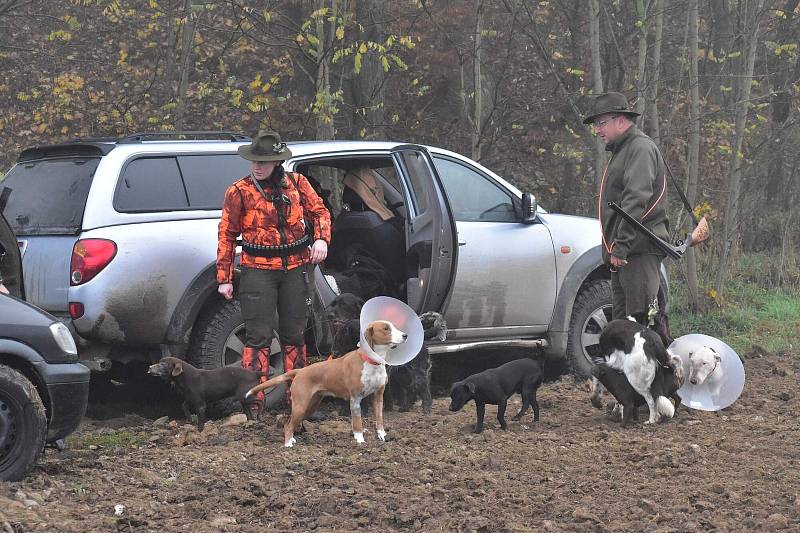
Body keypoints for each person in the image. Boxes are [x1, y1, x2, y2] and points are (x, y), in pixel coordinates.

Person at [217, 130, 331, 416]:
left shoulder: (297, 183)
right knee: (258, 337)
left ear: (277, 162)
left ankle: (300, 403)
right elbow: (227, 235)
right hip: (257, 271)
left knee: (295, 336)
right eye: (254, 161)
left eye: (264, 161)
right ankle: (253, 403)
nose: (257, 166)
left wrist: (321, 239)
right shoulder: (239, 191)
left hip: (296, 268)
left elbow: (320, 212)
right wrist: (225, 277)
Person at [584, 91, 670, 325]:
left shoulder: (639, 148)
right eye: (596, 124)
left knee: (642, 331)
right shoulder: (624, 150)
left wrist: (620, 247)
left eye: (601, 123)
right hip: (627, 255)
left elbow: (635, 200)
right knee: (624, 332)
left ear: (621, 120)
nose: (597, 130)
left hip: (637, 254)